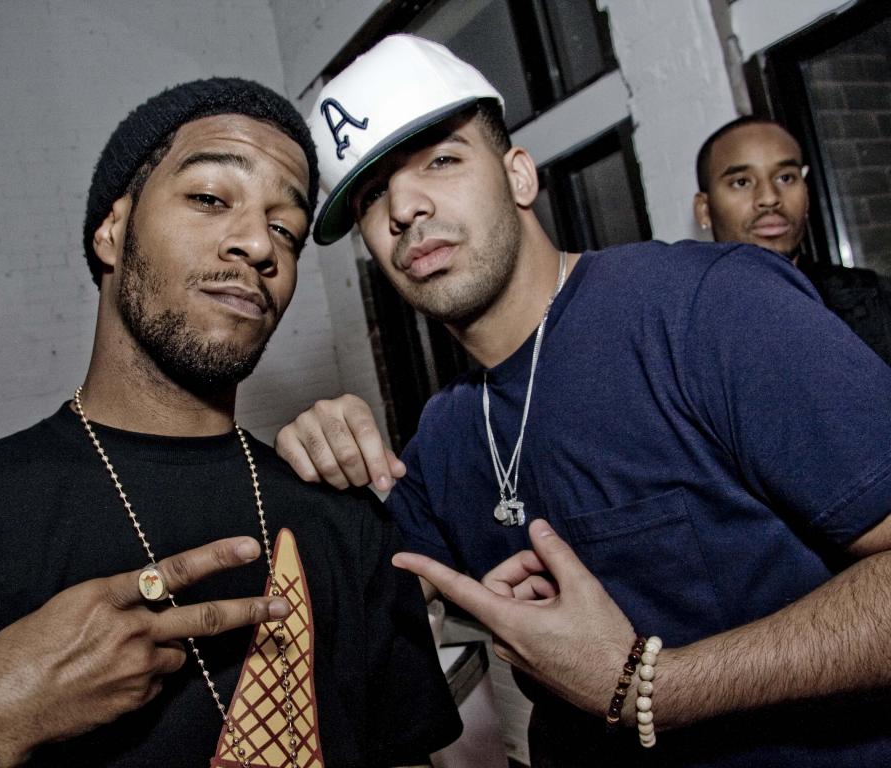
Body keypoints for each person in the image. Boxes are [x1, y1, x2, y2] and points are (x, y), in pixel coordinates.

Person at [276, 34, 891, 766]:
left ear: (519, 176)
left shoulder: (708, 308)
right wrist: (313, 466)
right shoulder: (442, 439)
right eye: (372, 194)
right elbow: (336, 626)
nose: (405, 207)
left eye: (441, 160)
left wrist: (648, 686)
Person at [0, 78, 460, 767]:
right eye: (209, 198)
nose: (258, 245)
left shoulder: (344, 520)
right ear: (112, 230)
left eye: (285, 230)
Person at [694, 116, 891, 366]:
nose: (769, 198)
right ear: (704, 209)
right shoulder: (685, 328)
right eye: (742, 182)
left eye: (785, 178)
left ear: (806, 194)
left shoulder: (876, 301)